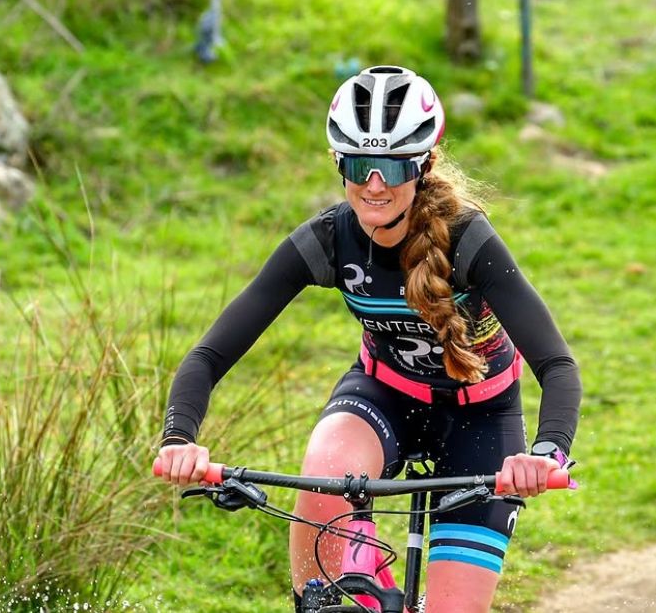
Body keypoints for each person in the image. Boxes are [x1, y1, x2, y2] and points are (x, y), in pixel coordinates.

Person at [156, 65, 582, 613]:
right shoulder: (329, 239)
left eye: (393, 165)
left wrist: (545, 454)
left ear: (422, 164)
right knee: (323, 473)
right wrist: (179, 439)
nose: (374, 184)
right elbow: (210, 354)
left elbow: (556, 363)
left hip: (482, 418)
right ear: (339, 163)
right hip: (382, 397)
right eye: (360, 165)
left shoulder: (468, 240)